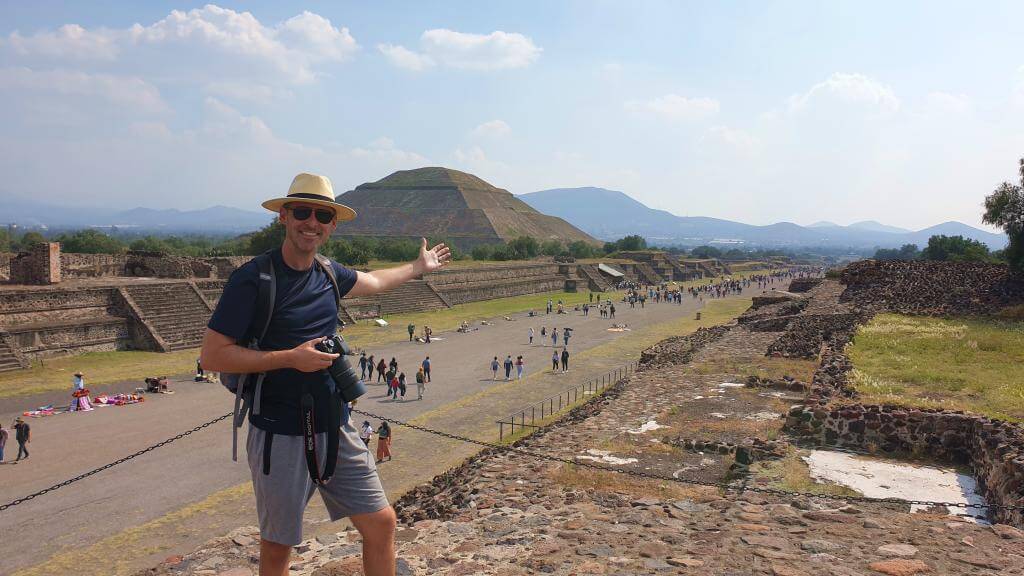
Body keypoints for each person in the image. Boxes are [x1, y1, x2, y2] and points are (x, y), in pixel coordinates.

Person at [200, 172, 450, 575]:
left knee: (381, 522)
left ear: (332, 224)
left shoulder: (328, 274)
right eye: (301, 211)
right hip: (279, 430)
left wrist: (418, 266)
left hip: (335, 424)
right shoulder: (253, 279)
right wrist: (289, 357)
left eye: (321, 215)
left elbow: (374, 281)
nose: (310, 222)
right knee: (279, 545)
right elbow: (212, 356)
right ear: (284, 216)